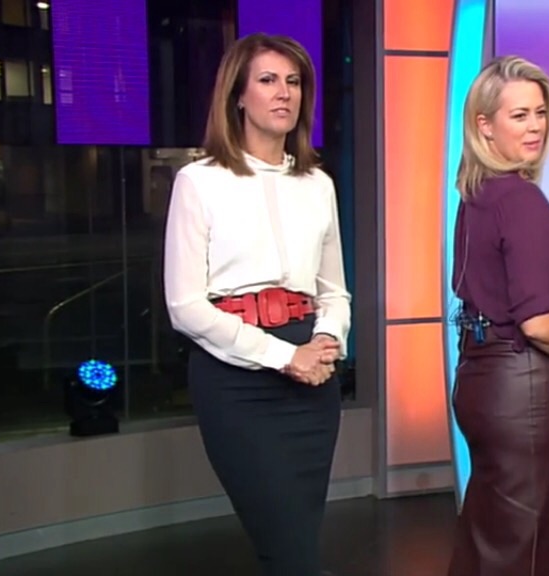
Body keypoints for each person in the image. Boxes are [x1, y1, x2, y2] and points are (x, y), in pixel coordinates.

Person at [163, 33, 350, 576]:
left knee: (298, 542)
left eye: (293, 82)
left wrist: (326, 339)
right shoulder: (198, 182)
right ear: (238, 96)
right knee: (287, 546)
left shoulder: (317, 184)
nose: (284, 93)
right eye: (268, 80)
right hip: (236, 379)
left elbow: (333, 291)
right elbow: (185, 306)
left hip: (313, 376)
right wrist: (283, 357)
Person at [447, 56, 549, 576]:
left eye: (540, 113)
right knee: (528, 549)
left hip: (484, 382)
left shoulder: (477, 194)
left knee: (495, 540)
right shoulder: (518, 199)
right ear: (484, 125)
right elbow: (538, 321)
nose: (535, 127)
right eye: (519, 115)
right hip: (521, 391)